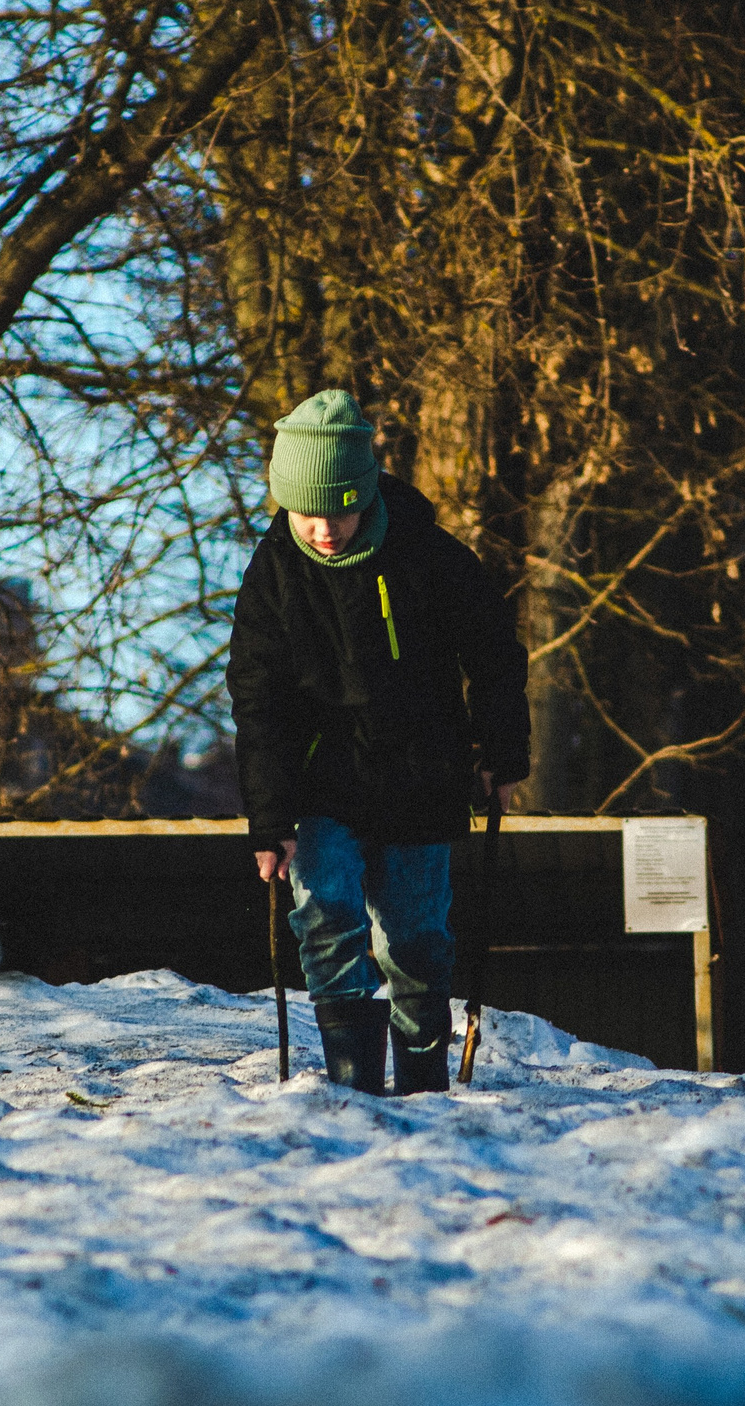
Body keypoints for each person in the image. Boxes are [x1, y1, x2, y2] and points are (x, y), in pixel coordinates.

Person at [227, 389, 530, 1094]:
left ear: (365, 493)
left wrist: (503, 751)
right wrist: (269, 819)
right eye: (309, 514)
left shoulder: (431, 556)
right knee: (326, 911)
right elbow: (260, 701)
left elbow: (492, 654)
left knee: (416, 937)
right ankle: (351, 1087)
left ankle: (422, 1083)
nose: (325, 529)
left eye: (339, 509)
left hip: (422, 769)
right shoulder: (271, 578)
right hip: (321, 776)